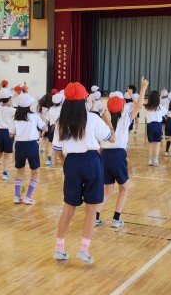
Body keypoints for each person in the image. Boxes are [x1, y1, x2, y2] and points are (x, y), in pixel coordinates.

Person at [52, 82, 115, 263]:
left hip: (71, 162)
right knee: (92, 208)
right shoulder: (93, 118)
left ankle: (59, 248)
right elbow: (111, 138)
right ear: (84, 99)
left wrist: (66, 162)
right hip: (91, 161)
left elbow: (57, 150)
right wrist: (109, 121)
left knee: (68, 207)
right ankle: (84, 249)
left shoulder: (61, 122)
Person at [96, 77, 148, 228]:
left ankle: (96, 216)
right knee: (124, 188)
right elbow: (139, 105)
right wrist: (143, 88)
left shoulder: (103, 120)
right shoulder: (125, 118)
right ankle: (116, 219)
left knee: (107, 190)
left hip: (104, 156)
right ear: (122, 106)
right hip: (118, 156)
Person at [9, 93, 46, 205]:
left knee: (20, 172)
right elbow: (45, 128)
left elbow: (11, 134)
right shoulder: (34, 116)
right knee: (35, 172)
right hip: (32, 145)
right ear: (29, 105)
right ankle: (28, 197)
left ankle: (17, 196)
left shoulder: (15, 118)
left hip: (19, 145)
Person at [144, 90, 167, 166]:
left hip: (150, 126)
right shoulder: (160, 107)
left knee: (150, 143)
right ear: (158, 99)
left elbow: (153, 102)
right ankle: (156, 160)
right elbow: (165, 112)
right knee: (158, 143)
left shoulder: (147, 107)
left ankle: (150, 160)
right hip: (158, 125)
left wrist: (160, 96)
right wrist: (161, 95)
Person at [45, 90, 63, 166]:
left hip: (51, 128)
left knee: (51, 143)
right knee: (62, 143)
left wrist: (45, 128)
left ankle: (49, 159)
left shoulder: (51, 109)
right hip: (60, 128)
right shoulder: (63, 109)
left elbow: (47, 120)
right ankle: (61, 158)